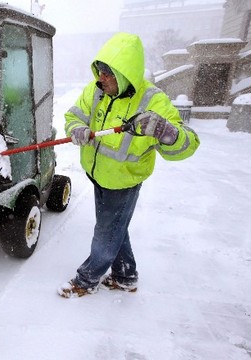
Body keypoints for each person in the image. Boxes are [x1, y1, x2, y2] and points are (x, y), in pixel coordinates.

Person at [58, 32, 200, 298]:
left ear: (125, 73)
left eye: (108, 73)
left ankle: (87, 279)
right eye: (99, 70)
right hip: (97, 174)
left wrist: (165, 132)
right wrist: (77, 127)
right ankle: (125, 275)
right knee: (113, 227)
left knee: (106, 232)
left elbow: (189, 143)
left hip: (124, 181)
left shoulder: (153, 101)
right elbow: (73, 114)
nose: (101, 78)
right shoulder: (96, 91)